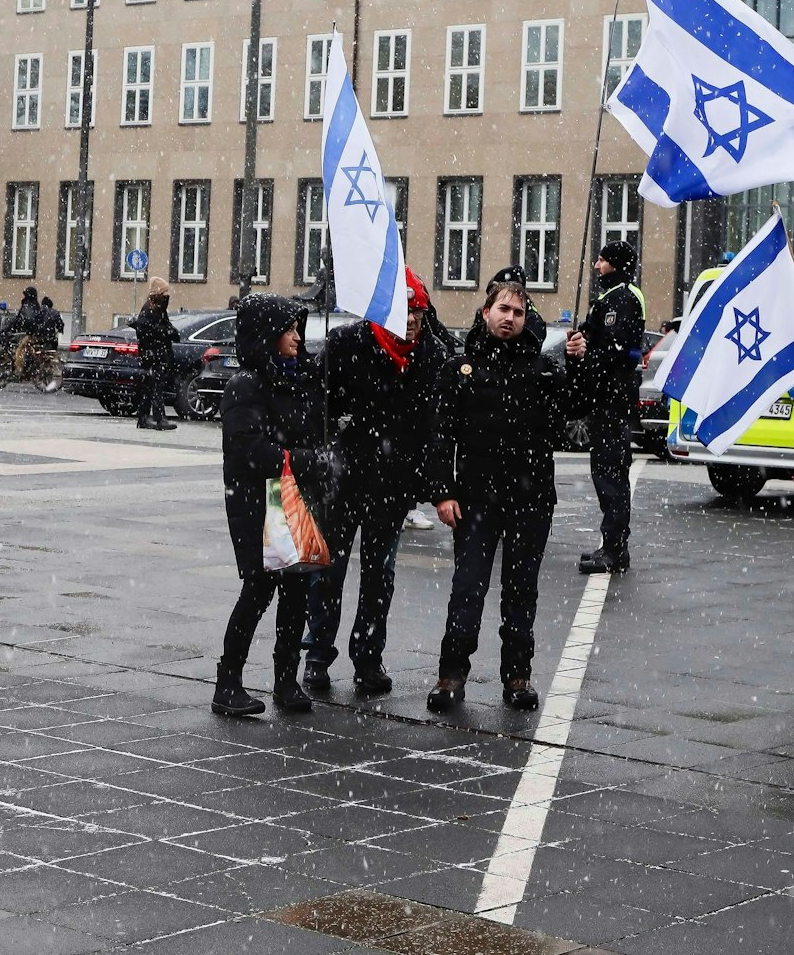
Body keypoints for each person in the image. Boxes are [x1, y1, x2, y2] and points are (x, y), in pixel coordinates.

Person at [426, 281, 583, 714]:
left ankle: (518, 676)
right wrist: (442, 492)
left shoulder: (543, 368)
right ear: (486, 312)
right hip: (475, 499)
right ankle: (451, 676)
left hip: (530, 499)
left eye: (517, 311)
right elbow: (440, 435)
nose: (509, 317)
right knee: (468, 588)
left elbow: (572, 413)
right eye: (503, 309)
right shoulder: (461, 368)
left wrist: (578, 364)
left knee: (521, 592)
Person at [304, 269, 445, 697]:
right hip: (341, 481)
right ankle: (316, 656)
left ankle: (368, 658)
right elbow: (315, 404)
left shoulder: (431, 356)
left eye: (418, 313)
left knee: (379, 576)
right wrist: (326, 445)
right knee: (327, 572)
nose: (414, 323)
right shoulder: (345, 343)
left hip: (392, 487)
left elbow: (434, 425)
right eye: (406, 313)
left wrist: (424, 479)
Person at [214, 295, 334, 717]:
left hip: (293, 500)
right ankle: (228, 682)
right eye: (289, 329)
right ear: (267, 334)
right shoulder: (245, 385)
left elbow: (311, 429)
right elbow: (249, 449)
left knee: (298, 587)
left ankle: (286, 679)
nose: (298, 337)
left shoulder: (296, 378)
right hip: (256, 502)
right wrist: (304, 461)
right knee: (258, 589)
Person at [573, 241, 645, 576]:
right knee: (605, 474)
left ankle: (615, 549)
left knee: (611, 475)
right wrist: (579, 344)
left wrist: (589, 350)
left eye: (602, 260)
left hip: (614, 400)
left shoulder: (624, 298)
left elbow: (618, 350)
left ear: (615, 264)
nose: (596, 265)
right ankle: (612, 544)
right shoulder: (609, 297)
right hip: (605, 400)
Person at [131, 281, 181, 430]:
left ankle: (144, 418)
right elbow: (147, 331)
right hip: (154, 356)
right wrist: (166, 333)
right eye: (165, 294)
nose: (168, 297)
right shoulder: (150, 310)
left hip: (155, 355)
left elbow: (163, 328)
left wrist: (169, 332)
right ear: (160, 295)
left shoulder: (157, 310)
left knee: (150, 387)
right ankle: (159, 419)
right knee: (155, 387)